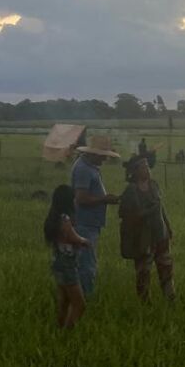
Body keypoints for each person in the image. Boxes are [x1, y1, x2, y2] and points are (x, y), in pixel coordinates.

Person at [119, 156, 175, 302]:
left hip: (160, 234)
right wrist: (144, 213)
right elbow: (124, 214)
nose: (147, 170)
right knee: (143, 271)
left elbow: (161, 208)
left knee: (166, 267)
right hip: (143, 237)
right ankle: (144, 302)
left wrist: (168, 226)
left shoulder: (154, 185)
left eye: (147, 167)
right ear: (135, 171)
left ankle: (170, 297)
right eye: (143, 167)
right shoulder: (131, 190)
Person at [71, 135, 121, 297]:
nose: (106, 158)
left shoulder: (90, 167)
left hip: (90, 223)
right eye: (104, 155)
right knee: (87, 265)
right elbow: (81, 198)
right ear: (95, 154)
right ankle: (84, 300)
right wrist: (104, 199)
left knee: (84, 262)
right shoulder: (83, 169)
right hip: (84, 224)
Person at [44, 185, 90, 329]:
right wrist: (84, 241)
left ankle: (59, 328)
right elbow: (71, 236)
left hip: (58, 262)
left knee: (64, 302)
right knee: (80, 305)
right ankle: (67, 333)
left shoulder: (54, 217)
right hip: (67, 265)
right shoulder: (64, 218)